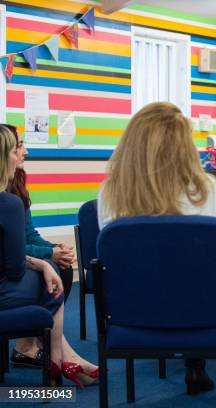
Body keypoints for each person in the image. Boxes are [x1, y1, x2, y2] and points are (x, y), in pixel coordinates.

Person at [97, 102, 216, 396]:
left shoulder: (109, 195)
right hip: (207, 313)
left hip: (133, 314)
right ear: (184, 146)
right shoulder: (207, 189)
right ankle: (195, 363)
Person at [0, 125, 98, 388]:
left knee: (56, 268)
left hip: (11, 273)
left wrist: (52, 251)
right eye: (18, 146)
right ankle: (59, 360)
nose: (25, 152)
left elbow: (28, 238)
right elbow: (15, 265)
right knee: (52, 284)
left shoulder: (16, 188)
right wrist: (46, 259)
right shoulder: (7, 203)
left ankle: (47, 354)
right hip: (6, 285)